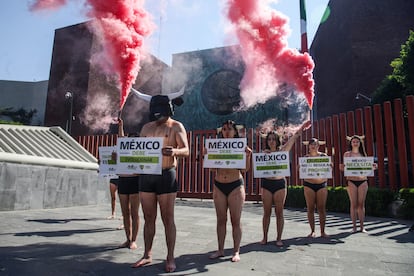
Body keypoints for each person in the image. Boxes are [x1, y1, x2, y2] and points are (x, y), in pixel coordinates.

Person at [131, 90, 189, 273]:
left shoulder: (176, 126)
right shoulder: (146, 128)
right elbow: (138, 151)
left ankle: (170, 256)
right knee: (149, 217)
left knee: (167, 218)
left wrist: (175, 152)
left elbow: (186, 150)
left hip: (166, 174)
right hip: (147, 176)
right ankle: (147, 254)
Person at [260, 120, 311, 247]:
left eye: (273, 139)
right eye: (269, 139)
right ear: (267, 141)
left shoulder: (283, 150)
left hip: (279, 184)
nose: (271, 141)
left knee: (279, 212)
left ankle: (278, 238)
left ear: (277, 140)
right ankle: (264, 237)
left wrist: (302, 127)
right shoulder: (263, 154)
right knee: (266, 212)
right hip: (266, 183)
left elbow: (294, 138)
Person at [207, 120, 252, 262]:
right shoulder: (216, 146)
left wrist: (248, 156)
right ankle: (220, 250)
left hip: (235, 185)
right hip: (219, 184)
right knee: (221, 220)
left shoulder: (241, 147)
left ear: (235, 132)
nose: (226, 131)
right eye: (224, 129)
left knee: (235, 220)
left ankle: (236, 251)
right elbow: (213, 169)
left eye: (229, 129)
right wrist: (207, 156)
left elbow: (245, 169)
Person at [340, 135, 377, 233]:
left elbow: (367, 169)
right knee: (353, 204)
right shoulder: (347, 154)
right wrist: (342, 167)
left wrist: (373, 167)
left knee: (361, 204)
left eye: (357, 141)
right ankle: (354, 227)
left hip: (363, 181)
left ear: (360, 143)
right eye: (353, 142)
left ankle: (362, 227)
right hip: (351, 181)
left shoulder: (363, 155)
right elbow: (344, 167)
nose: (355, 143)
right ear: (351, 143)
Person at [116, 118, 140, 249]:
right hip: (123, 180)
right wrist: (121, 126)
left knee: (134, 212)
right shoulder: (123, 148)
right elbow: (121, 138)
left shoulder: (141, 151)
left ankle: (134, 240)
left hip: (135, 181)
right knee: (125, 212)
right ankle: (128, 238)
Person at [302, 138, 330, 238]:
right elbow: (300, 169)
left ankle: (322, 231)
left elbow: (329, 167)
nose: (313, 146)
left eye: (315, 144)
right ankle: (312, 231)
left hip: (321, 184)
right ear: (308, 146)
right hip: (309, 184)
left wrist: (330, 165)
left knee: (321, 208)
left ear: (318, 146)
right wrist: (300, 167)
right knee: (310, 208)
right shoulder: (305, 157)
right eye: (311, 144)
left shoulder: (324, 156)